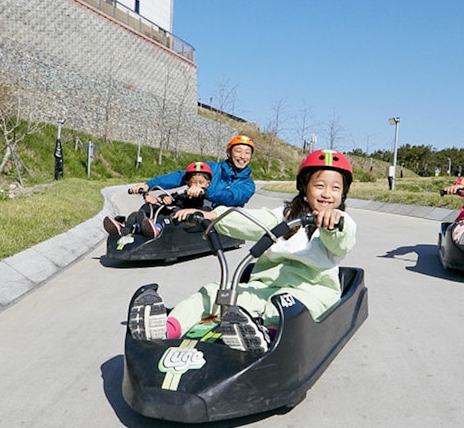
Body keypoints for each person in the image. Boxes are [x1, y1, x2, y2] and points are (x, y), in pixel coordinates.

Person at [127, 149, 356, 352]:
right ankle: (165, 329)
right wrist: (214, 216)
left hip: (310, 292)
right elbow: (251, 220)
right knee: (214, 292)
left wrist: (334, 225)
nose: (327, 194)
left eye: (335, 188)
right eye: (319, 185)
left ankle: (267, 337)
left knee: (284, 308)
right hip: (265, 288)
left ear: (343, 193)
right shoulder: (284, 215)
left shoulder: (340, 222)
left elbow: (342, 243)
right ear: (304, 186)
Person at [127, 134, 256, 208]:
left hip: (221, 217)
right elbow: (180, 177)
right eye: (238, 151)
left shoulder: (248, 185)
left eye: (247, 153)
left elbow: (232, 198)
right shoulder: (212, 168)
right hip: (198, 208)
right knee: (159, 207)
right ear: (229, 153)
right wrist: (148, 185)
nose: (242, 156)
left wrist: (205, 191)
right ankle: (135, 227)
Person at [103, 162, 215, 238]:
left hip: (189, 221)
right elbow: (171, 198)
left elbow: (205, 203)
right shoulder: (183, 194)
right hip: (174, 214)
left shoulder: (207, 196)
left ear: (208, 183)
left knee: (168, 217)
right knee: (148, 208)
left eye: (201, 183)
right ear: (187, 183)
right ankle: (128, 228)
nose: (196, 185)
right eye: (193, 183)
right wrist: (159, 199)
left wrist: (200, 191)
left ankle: (156, 229)